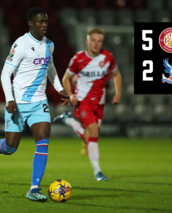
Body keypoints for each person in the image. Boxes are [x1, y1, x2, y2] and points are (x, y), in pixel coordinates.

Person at [0, 8, 69, 202]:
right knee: (10, 148)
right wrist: (9, 99)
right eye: (41, 22)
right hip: (17, 103)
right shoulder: (21, 44)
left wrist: (59, 88)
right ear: (31, 24)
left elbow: (50, 68)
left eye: (46, 22)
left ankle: (34, 188)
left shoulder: (49, 45)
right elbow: (4, 74)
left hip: (39, 103)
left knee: (43, 140)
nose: (45, 25)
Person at [53, 28, 122, 181]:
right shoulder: (78, 59)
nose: (96, 43)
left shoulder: (107, 57)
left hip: (100, 103)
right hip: (83, 102)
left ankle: (68, 120)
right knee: (93, 133)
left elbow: (116, 74)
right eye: (93, 40)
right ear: (87, 41)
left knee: (89, 137)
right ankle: (97, 172)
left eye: (99, 41)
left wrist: (117, 93)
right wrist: (71, 95)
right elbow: (65, 78)